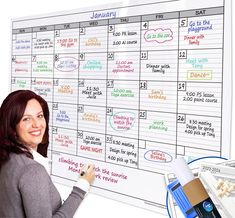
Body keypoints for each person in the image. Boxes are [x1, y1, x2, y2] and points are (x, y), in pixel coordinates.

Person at [0, 90, 95, 217]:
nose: (37, 124)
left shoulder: (8, 157)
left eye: (39, 116)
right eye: (26, 119)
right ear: (12, 126)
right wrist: (82, 186)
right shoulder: (32, 171)